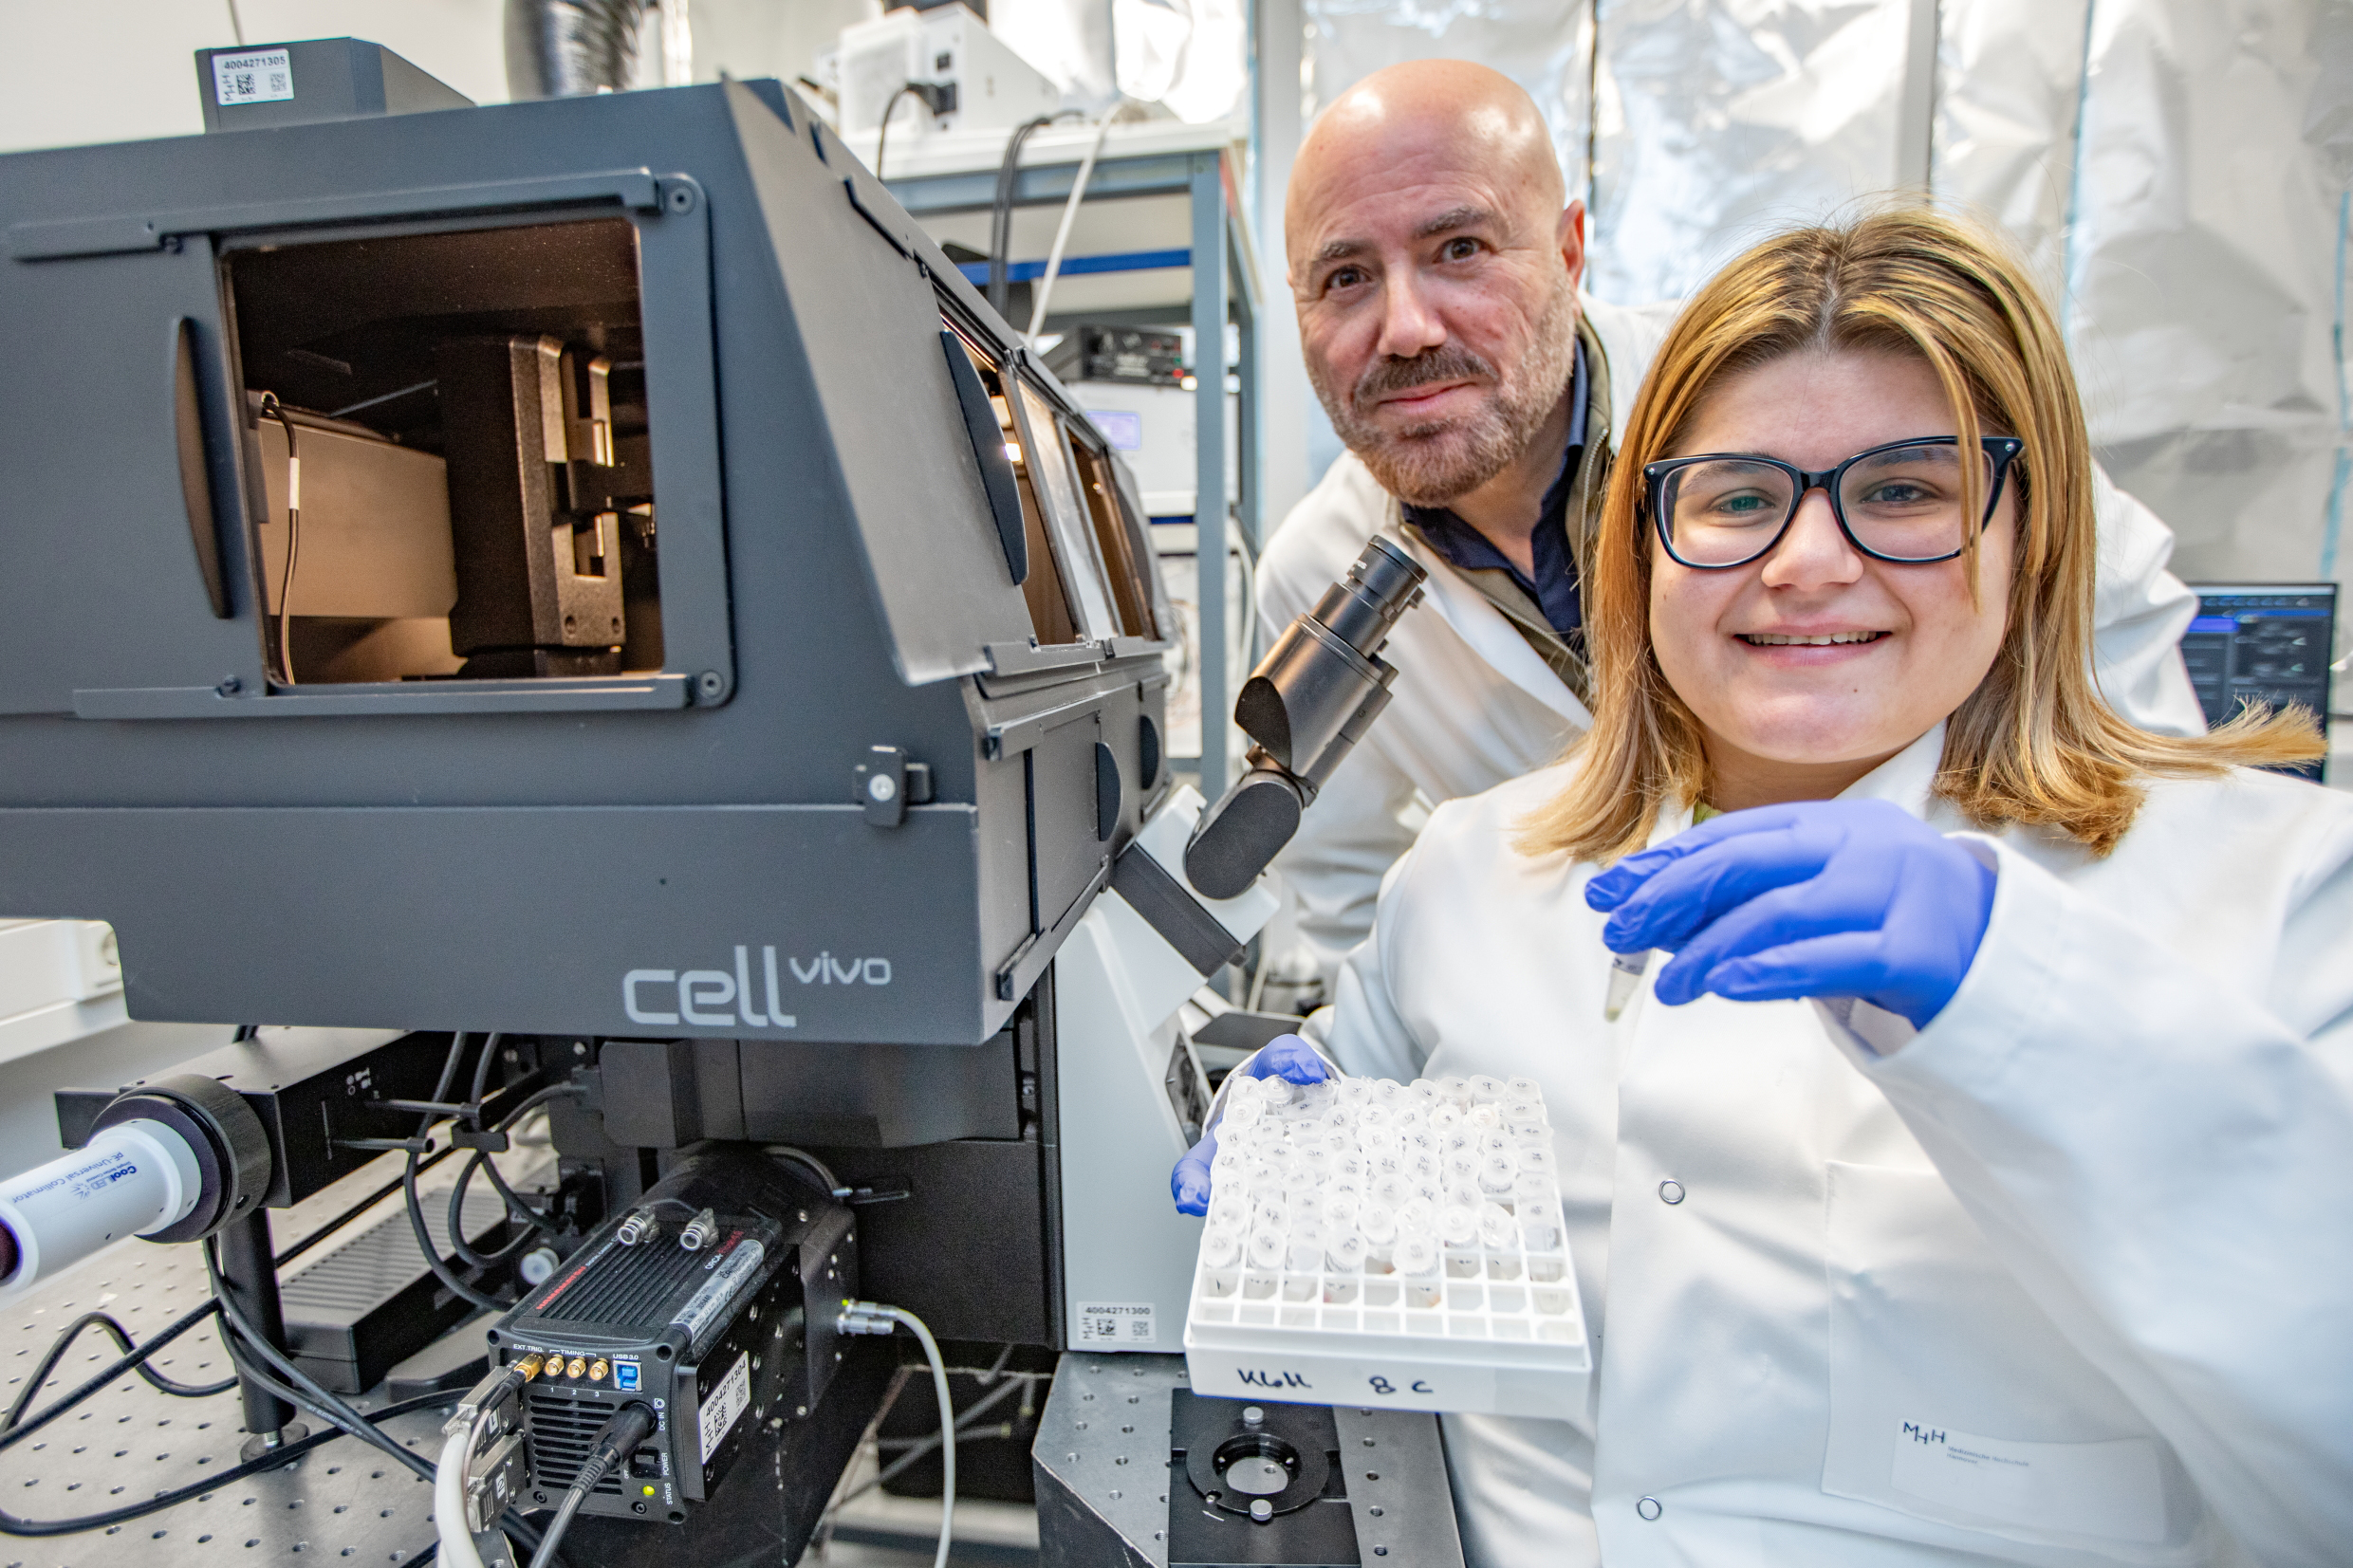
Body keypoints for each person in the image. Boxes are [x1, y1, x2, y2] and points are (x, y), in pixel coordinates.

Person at [1178, 209, 2352, 1564]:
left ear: (2033, 534)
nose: (1805, 562)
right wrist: (1305, 1147)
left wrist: (2020, 999)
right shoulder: (1478, 870)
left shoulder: (2276, 892)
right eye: (1736, 498)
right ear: (1645, 546)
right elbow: (1359, 1085)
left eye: (1907, 489)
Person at [1254, 60, 2208, 1003]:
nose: (1405, 327)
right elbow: (1341, 887)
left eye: (1458, 248)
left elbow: (2130, 755)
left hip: (1965, 1005)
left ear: (1568, 252)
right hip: (1609, 1025)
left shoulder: (1785, 383)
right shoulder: (1312, 571)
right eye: (1343, 276)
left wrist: (2010, 937)